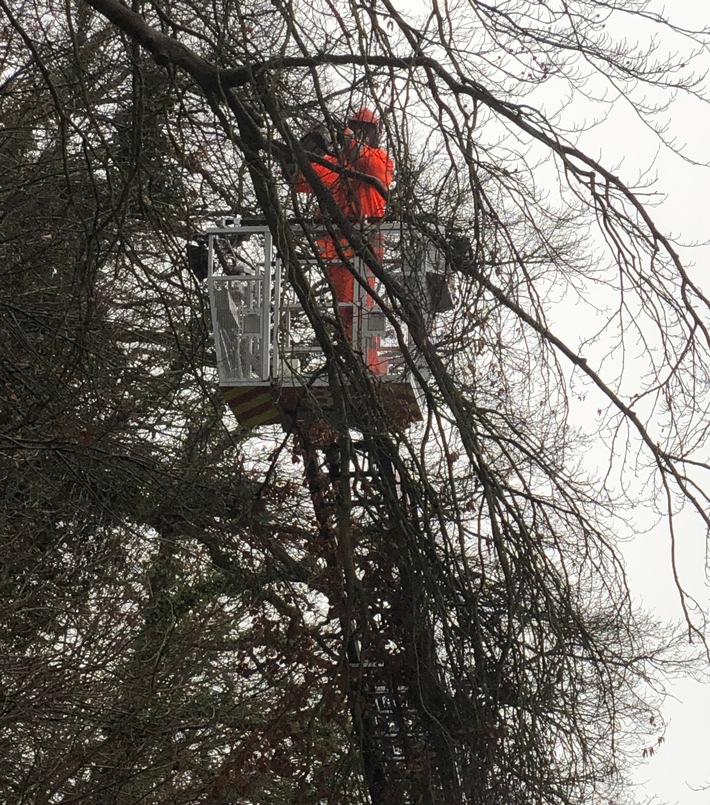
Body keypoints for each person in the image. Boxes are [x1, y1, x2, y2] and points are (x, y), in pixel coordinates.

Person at [294, 108, 394, 375]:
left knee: (357, 308)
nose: (360, 134)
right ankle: (355, 362)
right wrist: (306, 149)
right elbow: (300, 178)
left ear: (374, 135)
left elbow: (364, 160)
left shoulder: (380, 160)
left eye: (365, 130)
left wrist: (343, 134)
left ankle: (367, 365)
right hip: (334, 247)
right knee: (345, 310)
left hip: (365, 244)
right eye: (356, 128)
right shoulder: (335, 168)